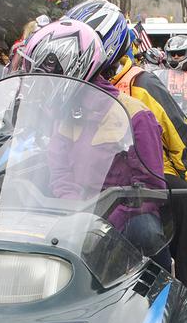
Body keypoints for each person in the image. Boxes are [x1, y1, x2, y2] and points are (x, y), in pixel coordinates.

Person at [68, 0, 187, 290]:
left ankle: (180, 286)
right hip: (95, 177)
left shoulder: (142, 84)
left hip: (147, 174)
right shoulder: (73, 88)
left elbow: (177, 130)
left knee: (182, 199)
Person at [23, 18, 173, 272]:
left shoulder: (135, 115)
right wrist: (78, 214)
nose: (46, 84)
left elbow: (150, 188)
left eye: (50, 77)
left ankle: (161, 292)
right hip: (76, 215)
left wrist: (104, 223)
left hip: (125, 217)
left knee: (147, 233)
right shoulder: (65, 116)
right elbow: (59, 173)